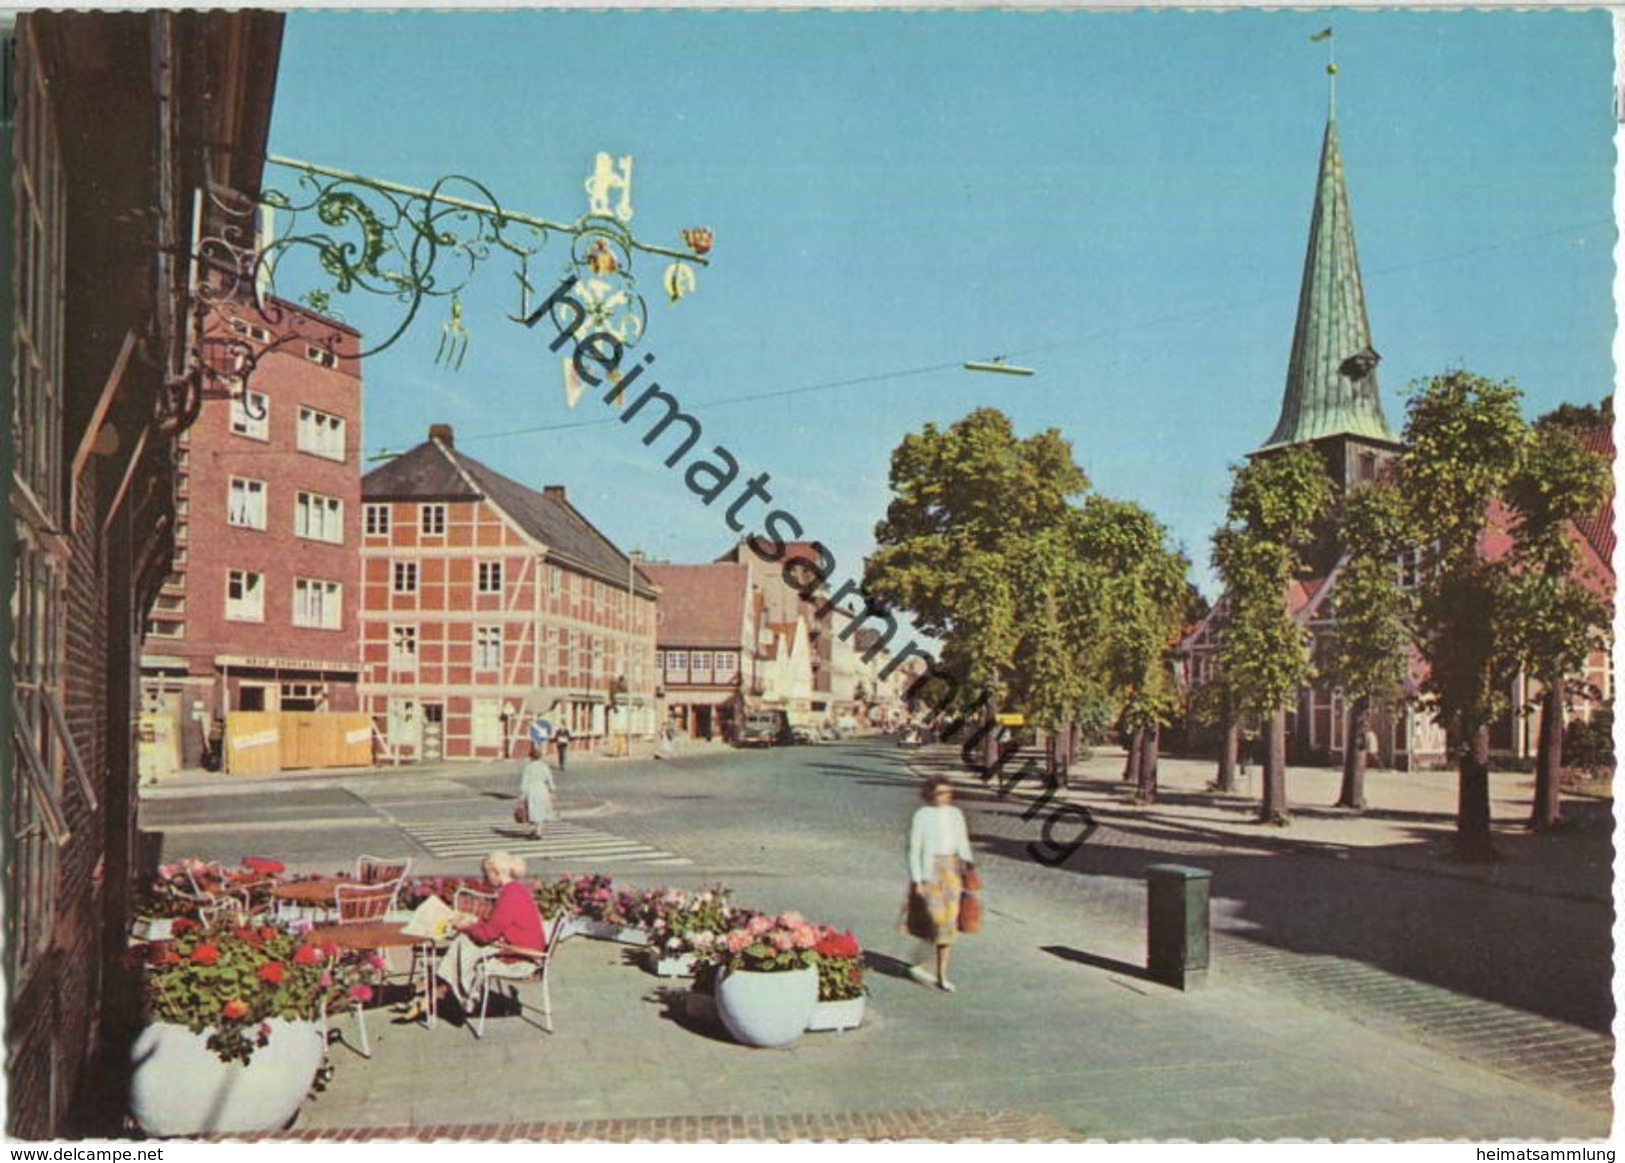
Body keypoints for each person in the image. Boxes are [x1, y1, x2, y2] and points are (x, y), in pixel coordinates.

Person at [398, 851, 545, 1022]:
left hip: (520, 953)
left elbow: (488, 934)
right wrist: (472, 922)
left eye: (486, 874)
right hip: (520, 946)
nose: (484, 878)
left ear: (495, 873)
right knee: (465, 944)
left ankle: (429, 996)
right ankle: (431, 997)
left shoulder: (509, 896)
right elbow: (495, 925)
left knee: (465, 943)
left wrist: (466, 926)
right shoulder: (515, 890)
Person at [905, 775, 975, 992]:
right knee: (935, 920)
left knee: (949, 923)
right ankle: (920, 959)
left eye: (948, 793)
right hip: (931, 870)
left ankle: (941, 974)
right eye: (940, 793)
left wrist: (968, 866)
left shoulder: (955, 814)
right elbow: (915, 849)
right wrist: (918, 879)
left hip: (952, 870)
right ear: (930, 795)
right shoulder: (922, 816)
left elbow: (962, 841)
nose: (945, 797)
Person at [519, 743, 556, 840]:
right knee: (541, 809)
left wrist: (523, 794)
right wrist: (552, 790)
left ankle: (534, 830)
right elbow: (549, 779)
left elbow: (525, 781)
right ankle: (538, 831)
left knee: (532, 809)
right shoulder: (544, 767)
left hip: (532, 789)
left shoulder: (529, 767)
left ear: (531, 757)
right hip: (542, 789)